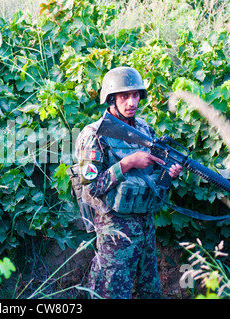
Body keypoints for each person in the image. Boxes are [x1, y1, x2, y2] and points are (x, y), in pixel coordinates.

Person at [75, 66, 183, 299]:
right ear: (111, 98)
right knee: (111, 292)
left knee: (150, 291)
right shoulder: (94, 134)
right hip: (115, 229)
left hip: (145, 223)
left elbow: (154, 174)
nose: (131, 102)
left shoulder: (144, 129)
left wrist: (169, 173)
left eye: (135, 95)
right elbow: (91, 186)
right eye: (125, 96)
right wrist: (128, 163)